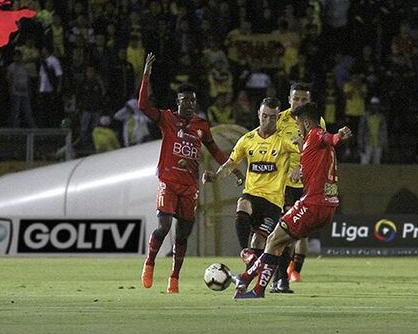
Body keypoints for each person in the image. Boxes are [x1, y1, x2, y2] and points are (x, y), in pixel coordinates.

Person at [138, 53, 243, 293]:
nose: (190, 105)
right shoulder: (166, 119)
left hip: (190, 187)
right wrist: (146, 75)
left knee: (183, 236)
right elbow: (143, 105)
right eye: (185, 101)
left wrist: (233, 169)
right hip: (168, 182)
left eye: (193, 101)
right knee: (164, 227)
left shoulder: (201, 125)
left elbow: (215, 151)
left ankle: (174, 279)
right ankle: (150, 262)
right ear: (178, 102)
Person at [232, 102, 352, 299]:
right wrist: (301, 171)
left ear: (305, 122)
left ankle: (246, 278)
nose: (297, 128)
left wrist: (338, 136)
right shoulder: (312, 146)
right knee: (278, 244)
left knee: (272, 239)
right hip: (328, 206)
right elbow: (318, 166)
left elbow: (329, 138)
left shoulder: (315, 134)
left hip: (312, 204)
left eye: (298, 124)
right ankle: (256, 289)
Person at [203, 97, 299, 278]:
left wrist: (299, 168)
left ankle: (251, 276)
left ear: (278, 117)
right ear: (258, 115)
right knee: (243, 204)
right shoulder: (247, 140)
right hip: (252, 194)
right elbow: (230, 164)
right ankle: (245, 252)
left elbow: (305, 152)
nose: (268, 121)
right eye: (265, 116)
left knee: (260, 240)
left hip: (273, 202)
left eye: (273, 117)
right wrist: (215, 176)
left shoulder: (284, 140)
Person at [276, 82, 326, 290]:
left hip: (307, 184)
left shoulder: (317, 121)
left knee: (302, 233)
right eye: (296, 98)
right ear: (289, 100)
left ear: (310, 101)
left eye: (304, 99)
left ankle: (294, 270)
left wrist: (305, 170)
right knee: (284, 231)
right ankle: (282, 274)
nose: (299, 103)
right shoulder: (279, 119)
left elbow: (320, 151)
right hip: (283, 184)